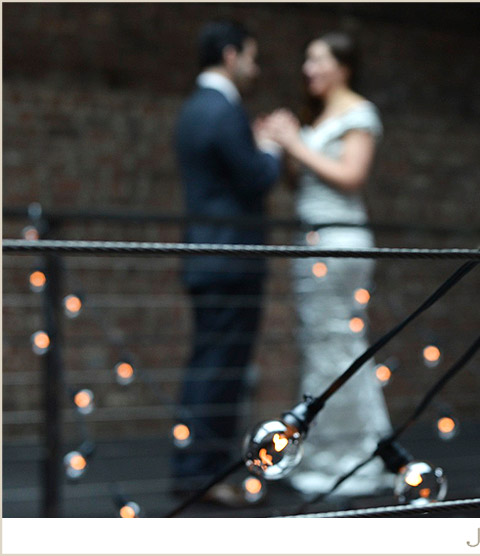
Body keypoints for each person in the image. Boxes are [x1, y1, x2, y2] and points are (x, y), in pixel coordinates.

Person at [260, 31, 394, 496]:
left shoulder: (359, 114)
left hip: (340, 242)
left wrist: (295, 142)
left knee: (337, 347)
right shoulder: (318, 118)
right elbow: (303, 183)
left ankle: (345, 457)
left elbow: (351, 176)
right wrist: (278, 145)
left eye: (317, 60)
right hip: (311, 240)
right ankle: (348, 448)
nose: (308, 69)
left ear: (343, 66)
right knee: (326, 346)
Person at [171, 20, 281, 504]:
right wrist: (271, 147)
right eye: (252, 57)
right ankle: (203, 475)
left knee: (207, 366)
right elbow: (256, 177)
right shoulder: (223, 109)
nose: (255, 69)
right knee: (221, 372)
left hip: (206, 256)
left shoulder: (193, 108)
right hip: (231, 259)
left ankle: (196, 469)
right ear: (231, 55)